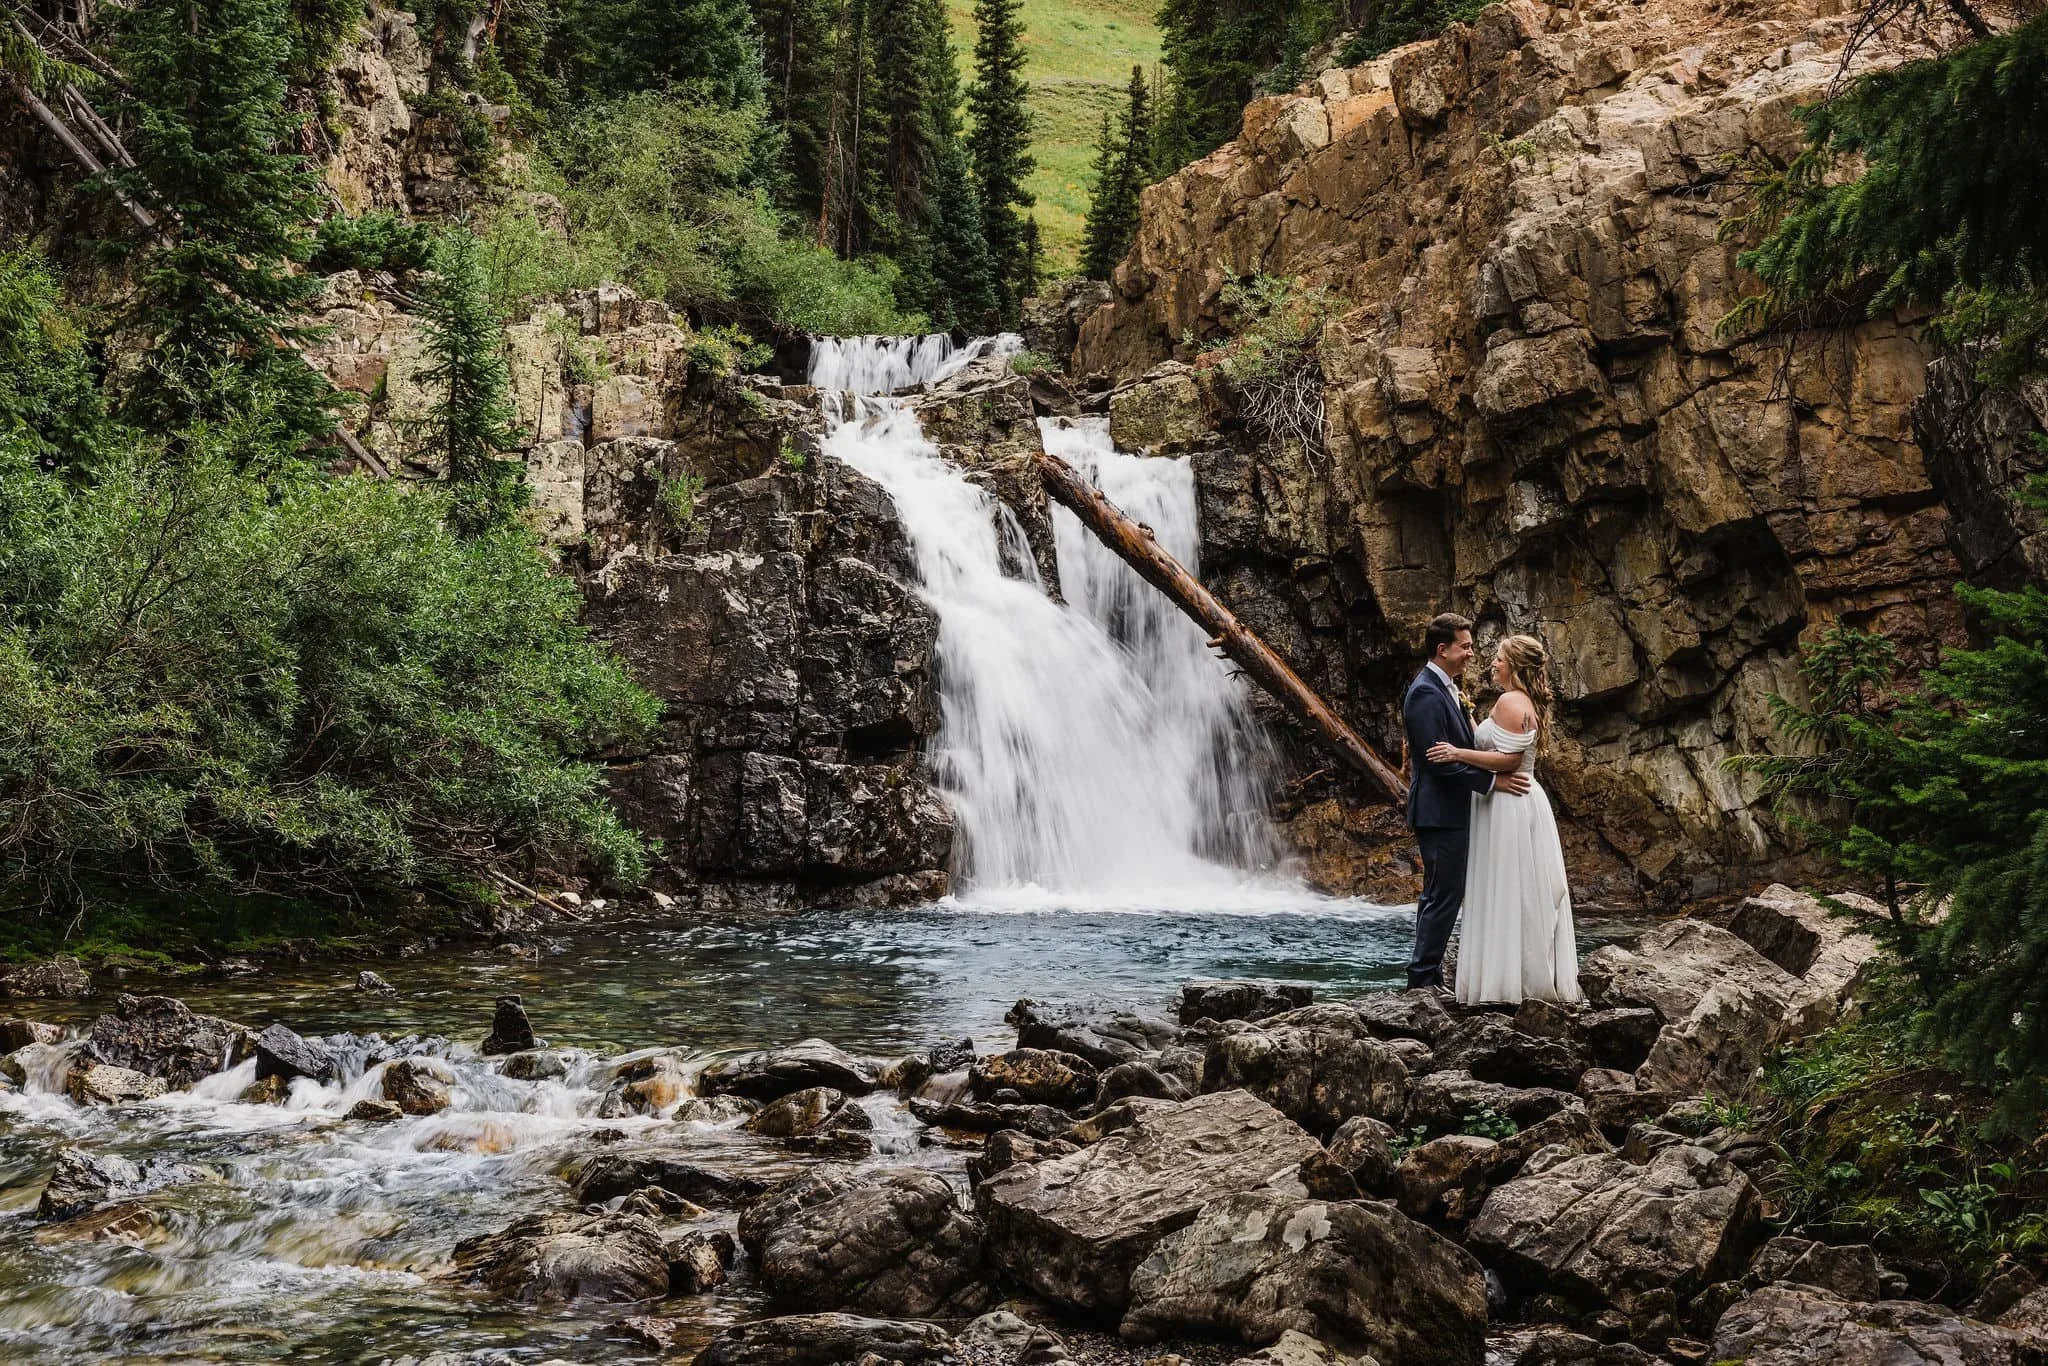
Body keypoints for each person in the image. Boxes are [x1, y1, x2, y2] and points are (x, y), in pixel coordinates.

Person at [1426, 633, 1582, 1005]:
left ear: (1514, 665)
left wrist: (1457, 753)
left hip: (1508, 803)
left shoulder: (1512, 701)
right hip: (1512, 801)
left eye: (1499, 659)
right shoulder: (1519, 701)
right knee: (1519, 889)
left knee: (1509, 888)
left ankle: (1508, 984)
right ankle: (1515, 976)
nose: (1492, 664)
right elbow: (1503, 743)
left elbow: (1510, 761)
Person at [1402, 613, 1529, 995]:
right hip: (1439, 812)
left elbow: (1459, 753)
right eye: (1466, 646)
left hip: (1452, 811)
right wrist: (1493, 781)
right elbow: (1437, 764)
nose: (1472, 654)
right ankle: (1422, 980)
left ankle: (1430, 974)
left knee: (1444, 892)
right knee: (1443, 894)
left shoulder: (1448, 689)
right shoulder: (1425, 692)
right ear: (1443, 650)